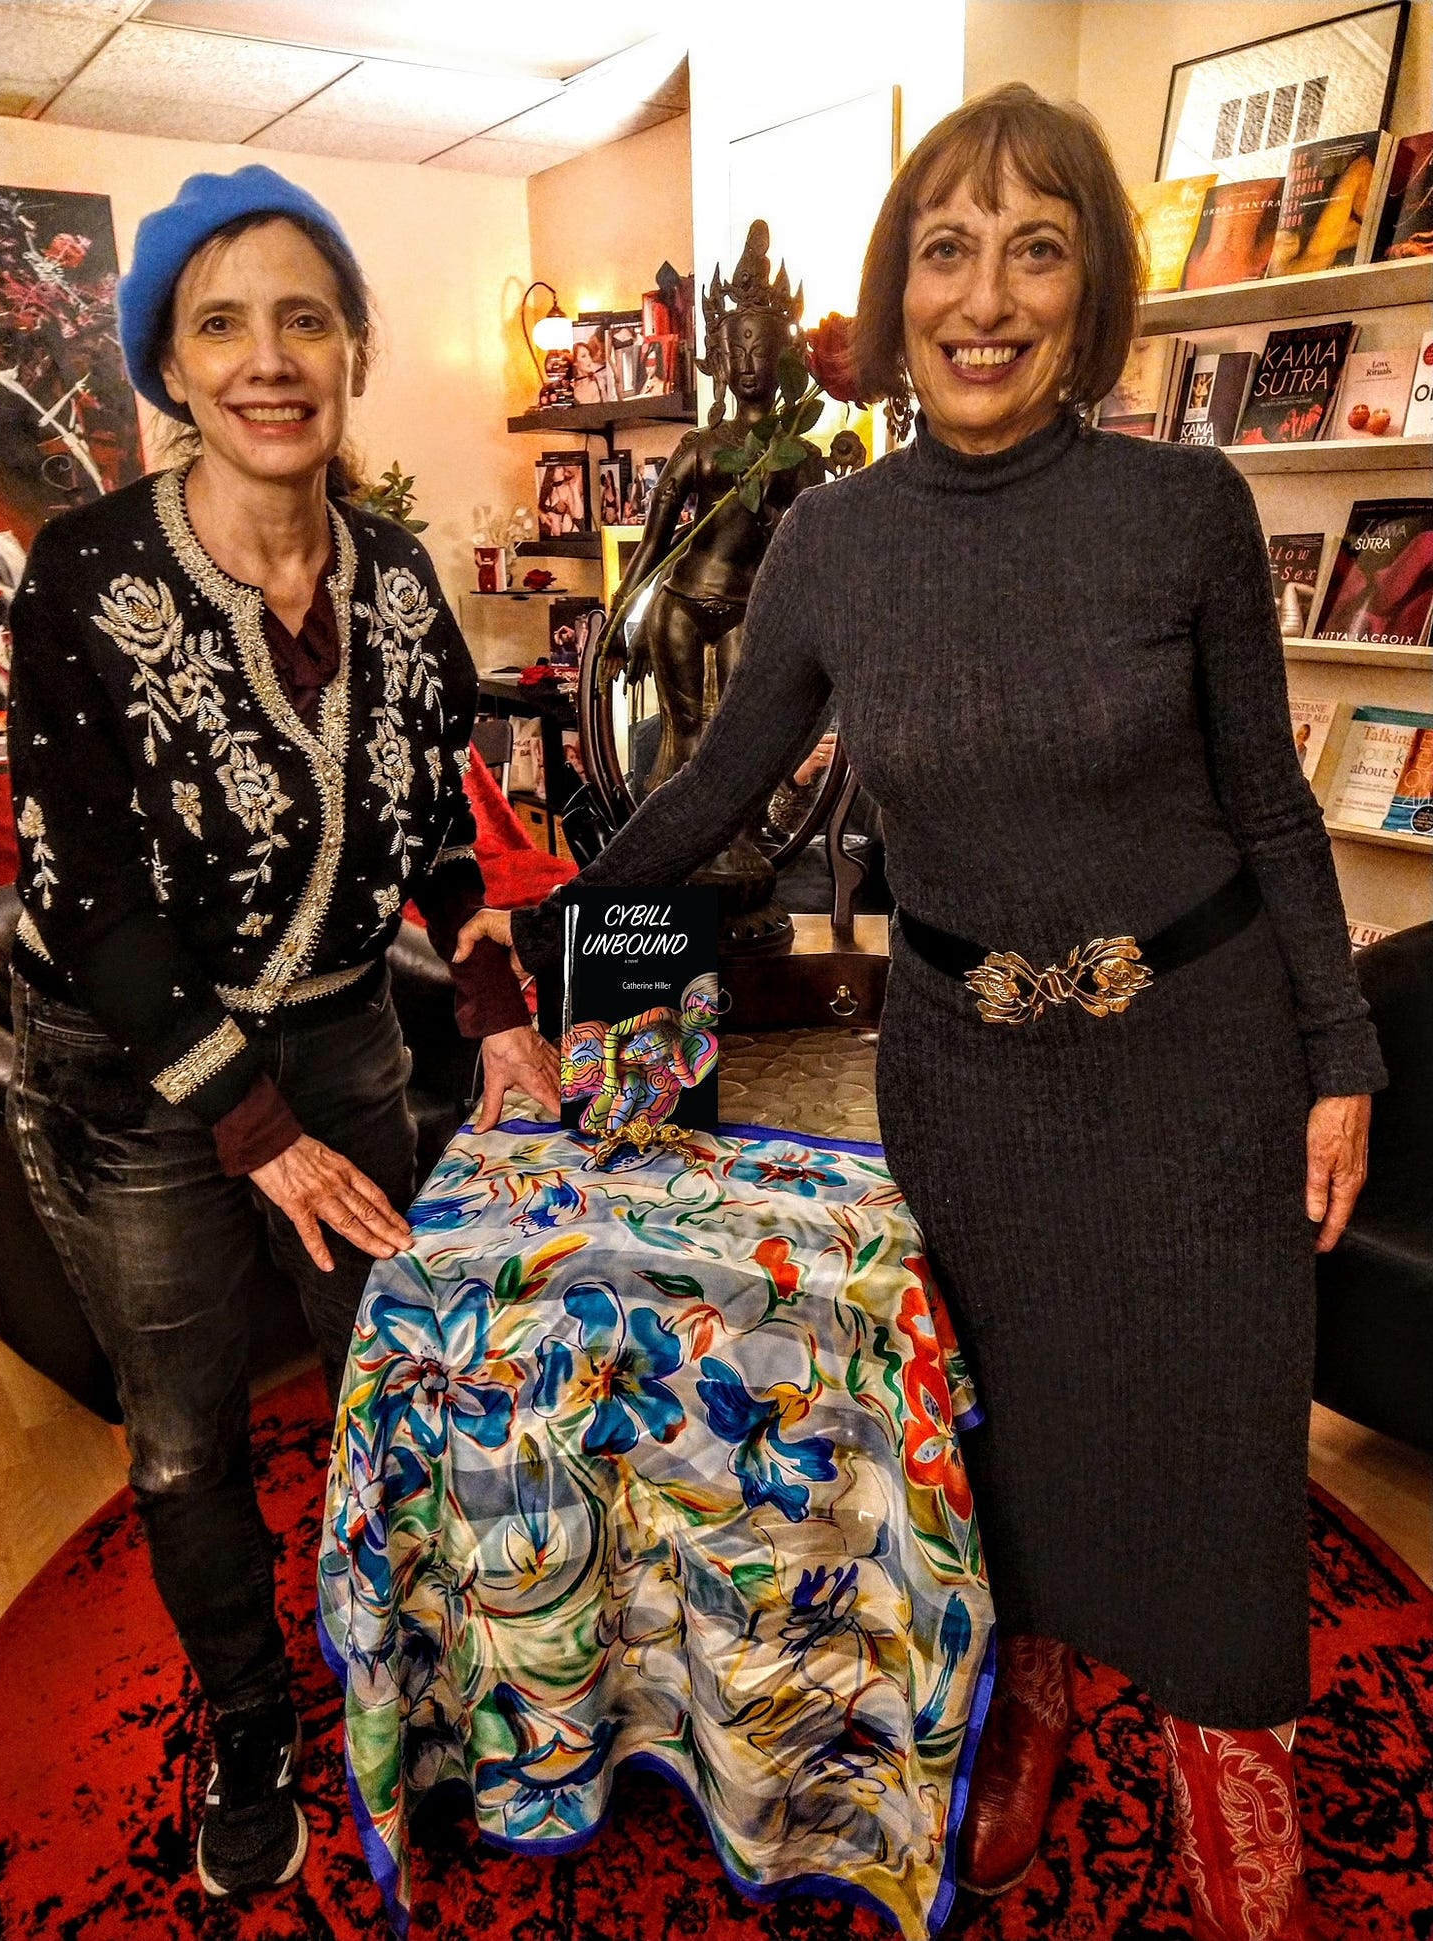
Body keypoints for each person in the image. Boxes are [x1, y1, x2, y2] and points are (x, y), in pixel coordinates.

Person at [458, 87, 1381, 1939]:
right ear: (897, 290)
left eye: (1036, 249)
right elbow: (710, 792)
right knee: (1006, 1432)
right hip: (965, 1090)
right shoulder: (835, 543)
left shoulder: (1187, 512)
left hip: (1200, 1070)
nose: (986, 296)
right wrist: (540, 951)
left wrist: (1339, 1057)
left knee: (1215, 1462)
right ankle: (1030, 1687)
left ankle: (1235, 1785)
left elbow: (1275, 809)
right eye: (946, 251)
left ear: (1091, 290)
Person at [5, 165, 559, 1901]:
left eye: (305, 319)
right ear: (170, 365)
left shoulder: (396, 578)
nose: (269, 358)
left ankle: (413, 1649)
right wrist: (255, 1129)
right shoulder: (82, 578)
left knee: (390, 1357)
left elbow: (440, 819)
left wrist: (496, 1014)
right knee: (185, 1433)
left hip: (339, 1039)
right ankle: (250, 1713)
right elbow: (88, 897)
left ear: (353, 350)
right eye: (222, 324)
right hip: (137, 1085)